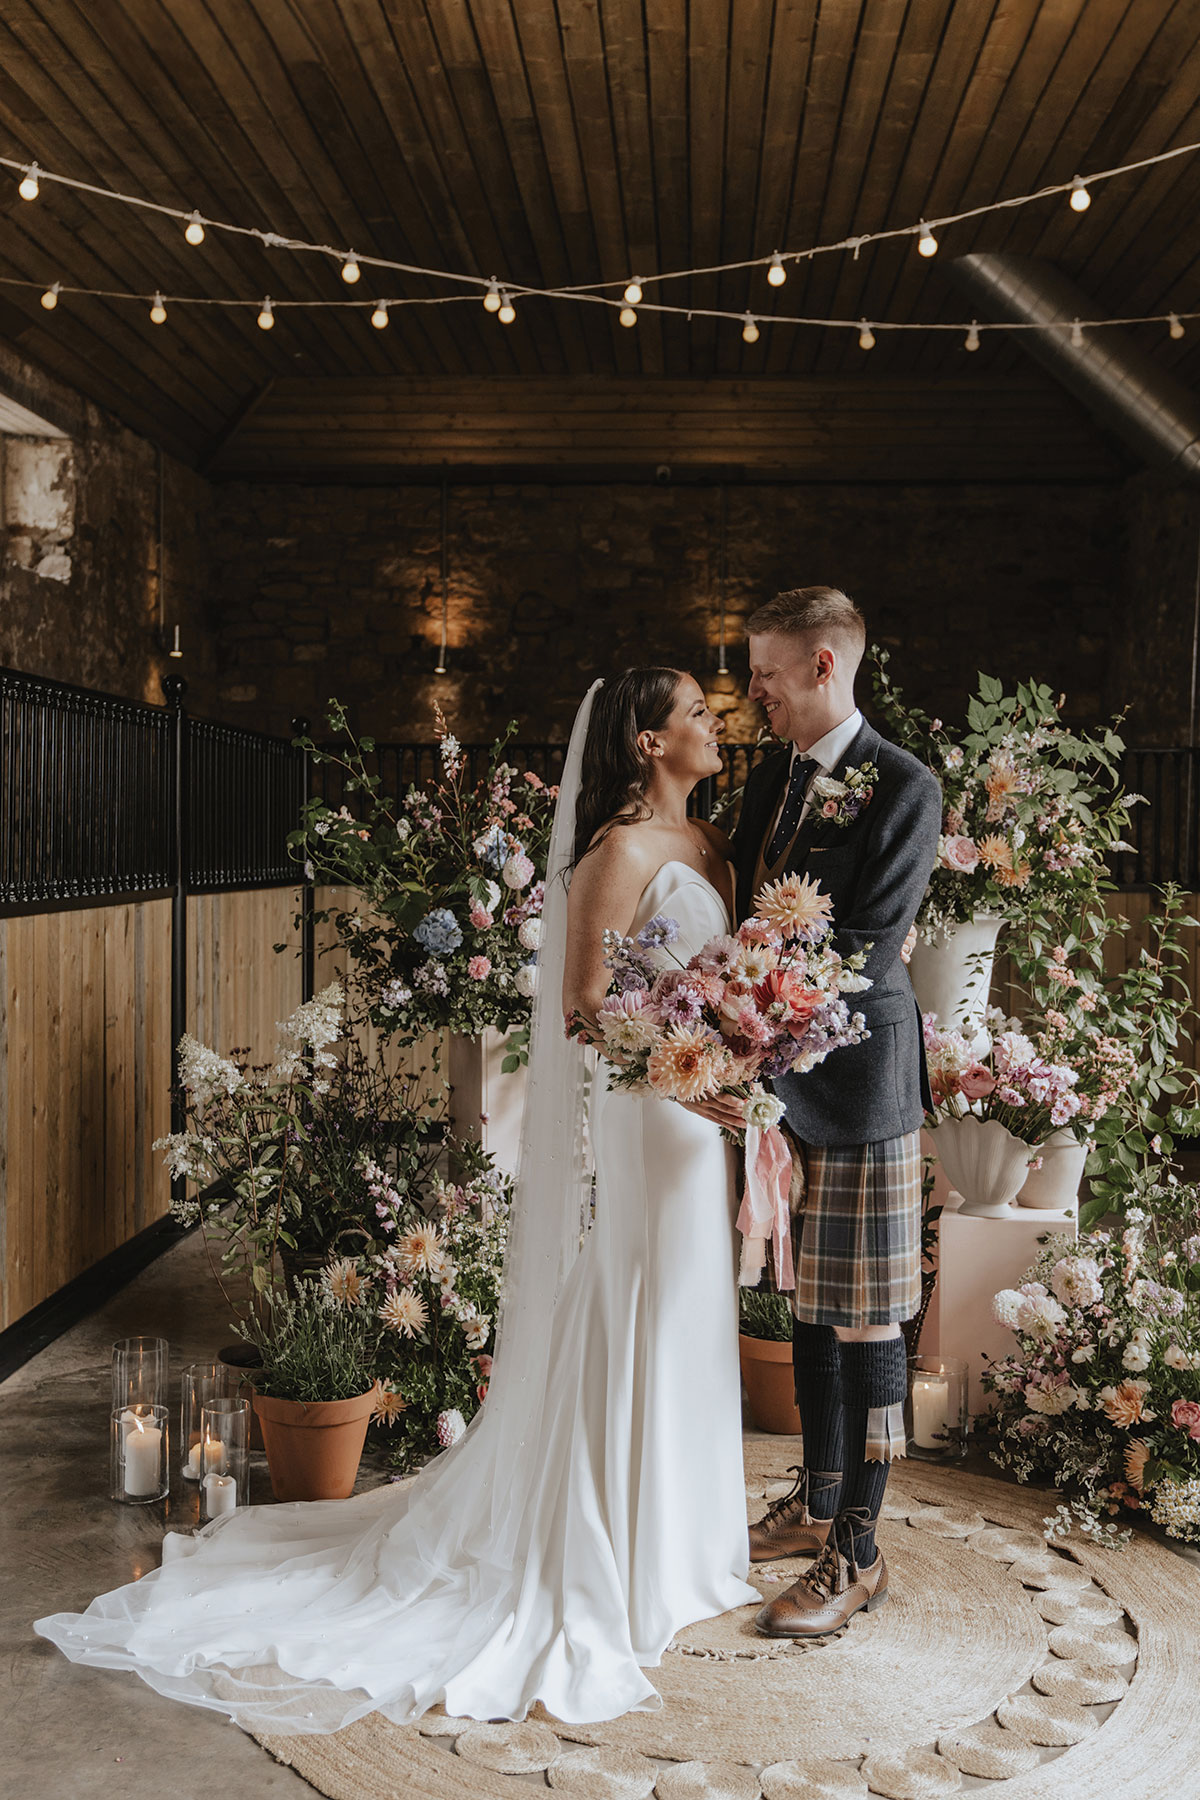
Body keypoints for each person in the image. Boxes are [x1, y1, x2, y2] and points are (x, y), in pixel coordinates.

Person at [35, 668, 759, 1732]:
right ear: (649, 741)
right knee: (641, 1298)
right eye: (698, 711)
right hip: (656, 1115)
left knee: (696, 1310)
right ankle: (618, 1545)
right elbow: (584, 1007)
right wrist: (688, 1074)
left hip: (717, 1118)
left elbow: (731, 980)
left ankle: (690, 1548)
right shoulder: (616, 854)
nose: (716, 723)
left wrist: (745, 1054)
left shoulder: (712, 851)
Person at [730, 586, 940, 1639]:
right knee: (812, 1311)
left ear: (822, 666)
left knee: (864, 1322)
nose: (751, 691)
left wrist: (744, 1009)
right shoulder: (769, 781)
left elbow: (863, 942)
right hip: (780, 1089)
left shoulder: (903, 785)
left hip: (860, 1090)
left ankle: (858, 1549)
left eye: (765, 672)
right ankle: (815, 1499)